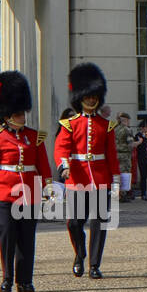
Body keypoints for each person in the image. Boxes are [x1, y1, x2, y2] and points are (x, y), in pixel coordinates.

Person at [0, 70, 50, 292]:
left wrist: (49, 189)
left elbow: (44, 166)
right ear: (6, 115)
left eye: (22, 113)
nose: (22, 117)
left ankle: (25, 280)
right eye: (17, 114)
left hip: (29, 193)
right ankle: (7, 277)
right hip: (5, 193)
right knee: (7, 235)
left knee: (27, 238)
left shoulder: (34, 137)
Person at [55, 63, 120, 279]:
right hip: (78, 178)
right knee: (74, 222)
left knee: (99, 223)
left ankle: (94, 265)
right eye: (88, 96)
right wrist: (64, 166)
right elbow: (62, 147)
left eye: (94, 96)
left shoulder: (106, 125)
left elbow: (111, 154)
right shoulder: (70, 124)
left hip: (101, 178)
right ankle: (79, 253)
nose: (91, 100)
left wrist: (118, 180)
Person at [114, 112, 134, 201]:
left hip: (117, 154)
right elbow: (130, 144)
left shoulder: (115, 129)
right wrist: (138, 143)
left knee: (117, 174)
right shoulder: (127, 130)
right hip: (125, 155)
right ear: (126, 120)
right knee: (125, 174)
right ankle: (123, 194)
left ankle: (116, 193)